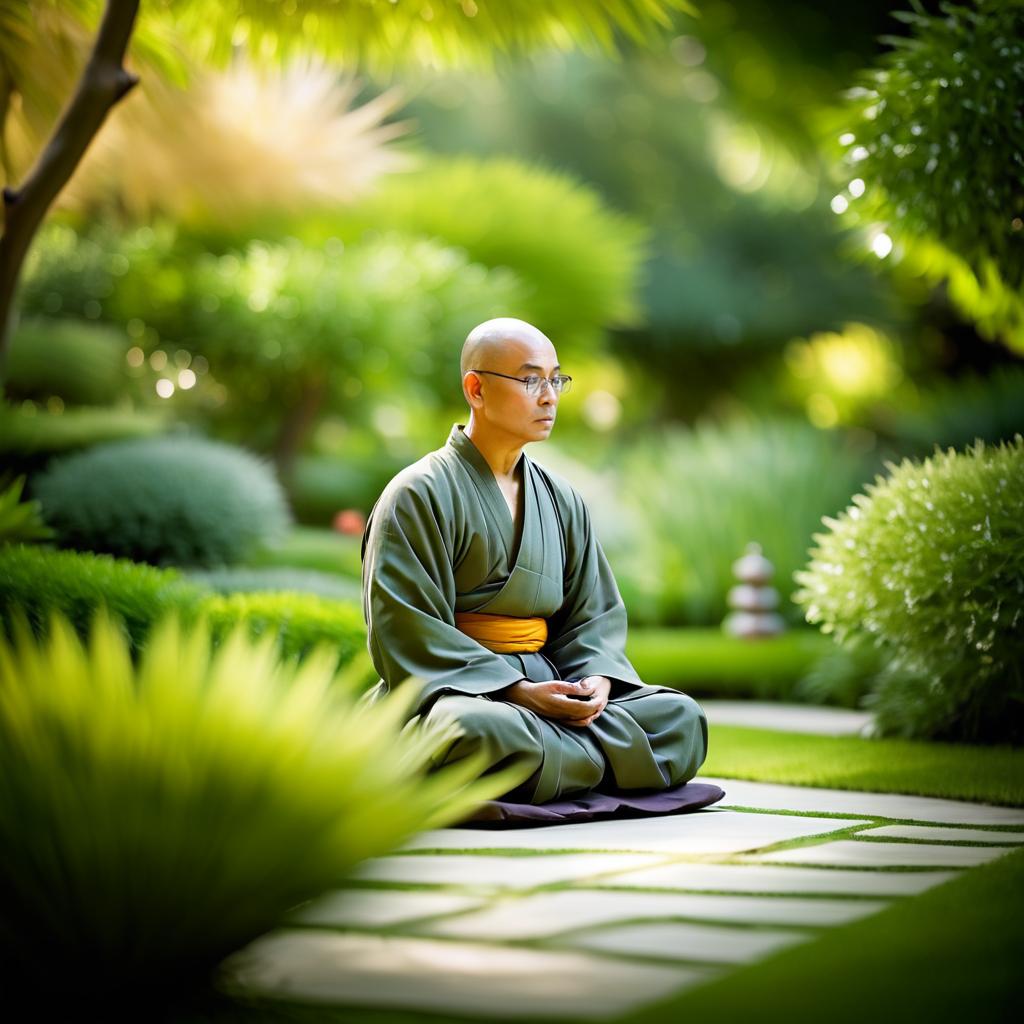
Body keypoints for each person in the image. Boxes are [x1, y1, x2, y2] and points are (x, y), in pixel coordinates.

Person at [360, 317, 708, 804]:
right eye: (530, 380)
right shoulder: (419, 493)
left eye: (556, 379)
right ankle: (603, 764)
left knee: (680, 718)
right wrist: (516, 691)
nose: (549, 396)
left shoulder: (562, 499)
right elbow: (405, 629)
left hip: (554, 692)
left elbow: (594, 618)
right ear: (476, 389)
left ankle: (546, 766)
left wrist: (595, 683)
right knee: (471, 731)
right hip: (466, 695)